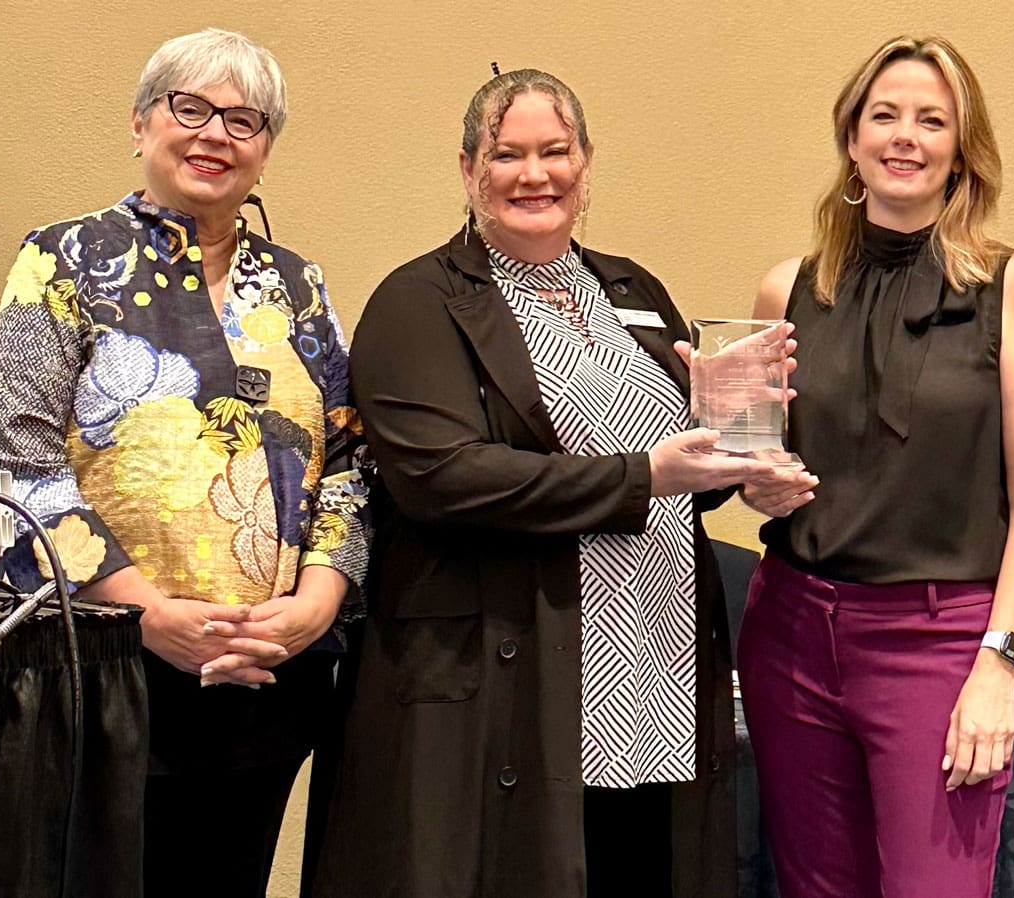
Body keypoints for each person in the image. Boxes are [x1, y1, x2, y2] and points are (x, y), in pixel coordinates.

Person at [312, 68, 815, 898]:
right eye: (507, 154)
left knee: (639, 870)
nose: (534, 174)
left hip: (656, 675)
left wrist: (745, 460)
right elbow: (444, 477)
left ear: (586, 163)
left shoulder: (632, 290)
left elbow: (678, 466)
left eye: (556, 150)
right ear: (469, 169)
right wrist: (644, 474)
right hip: (513, 683)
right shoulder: (418, 302)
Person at [0, 28, 369, 898]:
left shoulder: (299, 285)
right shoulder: (63, 260)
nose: (214, 134)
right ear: (142, 123)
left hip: (271, 678)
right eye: (189, 108)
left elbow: (346, 465)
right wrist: (150, 615)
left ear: (265, 148)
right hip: (108, 673)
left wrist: (316, 602)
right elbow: (17, 465)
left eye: (243, 119)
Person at [738, 35, 1014, 898]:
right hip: (792, 635)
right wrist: (754, 483)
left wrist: (1001, 664)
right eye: (884, 115)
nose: (905, 137)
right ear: (852, 138)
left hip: (940, 644)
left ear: (962, 147)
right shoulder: (787, 290)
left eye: (932, 120)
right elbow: (753, 466)